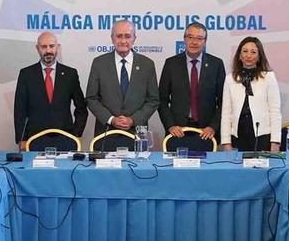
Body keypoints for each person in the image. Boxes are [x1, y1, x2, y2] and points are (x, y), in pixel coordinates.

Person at [83, 19, 158, 148]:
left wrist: (133, 120)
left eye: (128, 36)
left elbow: (153, 100)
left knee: (138, 167)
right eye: (119, 36)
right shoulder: (99, 63)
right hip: (106, 133)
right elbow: (91, 98)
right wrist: (111, 119)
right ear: (112, 38)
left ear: (134, 39)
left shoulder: (147, 64)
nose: (123, 41)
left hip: (137, 133)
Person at [157, 21, 226, 154]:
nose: (194, 42)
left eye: (199, 38)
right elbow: (162, 99)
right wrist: (170, 125)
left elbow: (224, 101)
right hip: (178, 132)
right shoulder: (171, 64)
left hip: (206, 133)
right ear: (184, 39)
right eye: (190, 37)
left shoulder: (216, 64)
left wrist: (213, 127)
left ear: (204, 41)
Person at [14, 32, 88, 150]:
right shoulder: (26, 74)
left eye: (51, 46)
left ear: (57, 47)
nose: (48, 50)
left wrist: (77, 134)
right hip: (34, 139)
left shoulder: (70, 74)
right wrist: (21, 139)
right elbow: (19, 110)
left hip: (65, 138)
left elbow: (81, 108)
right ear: (37, 49)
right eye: (44, 47)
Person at [217, 35, 282, 152]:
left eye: (253, 52)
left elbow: (275, 111)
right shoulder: (230, 79)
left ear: (259, 56)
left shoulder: (268, 77)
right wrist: (226, 142)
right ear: (240, 56)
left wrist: (275, 142)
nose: (248, 55)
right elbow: (226, 113)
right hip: (238, 136)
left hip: (262, 136)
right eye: (245, 51)